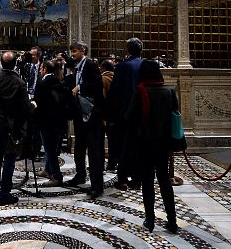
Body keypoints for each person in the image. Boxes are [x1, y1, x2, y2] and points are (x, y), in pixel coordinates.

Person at [125, 59, 179, 233]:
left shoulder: (140, 92)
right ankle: (172, 221)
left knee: (147, 181)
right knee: (164, 180)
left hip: (145, 144)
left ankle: (150, 220)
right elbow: (175, 117)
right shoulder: (170, 92)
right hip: (163, 144)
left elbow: (129, 118)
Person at [0, 51, 35, 205]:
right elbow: (24, 107)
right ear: (15, 64)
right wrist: (32, 106)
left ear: (2, 63)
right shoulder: (19, 83)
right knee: (9, 157)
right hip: (11, 125)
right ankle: (5, 193)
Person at [65, 41, 104, 198]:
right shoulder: (78, 67)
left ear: (83, 51)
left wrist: (81, 87)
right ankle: (80, 175)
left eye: (74, 51)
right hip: (80, 114)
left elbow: (97, 84)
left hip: (92, 114)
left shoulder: (90, 64)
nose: (72, 54)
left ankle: (97, 185)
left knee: (94, 151)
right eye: (71, 51)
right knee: (79, 147)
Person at [107, 38, 143, 189]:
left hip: (124, 113)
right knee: (139, 146)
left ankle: (122, 179)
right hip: (141, 113)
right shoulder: (146, 65)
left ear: (127, 50)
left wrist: (111, 114)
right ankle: (137, 179)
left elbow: (115, 92)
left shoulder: (122, 66)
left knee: (122, 146)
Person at [34, 59, 68, 186]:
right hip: (59, 121)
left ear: (44, 69)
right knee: (52, 147)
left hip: (46, 121)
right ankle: (47, 170)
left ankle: (57, 176)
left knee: (49, 150)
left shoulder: (42, 84)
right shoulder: (61, 83)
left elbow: (37, 103)